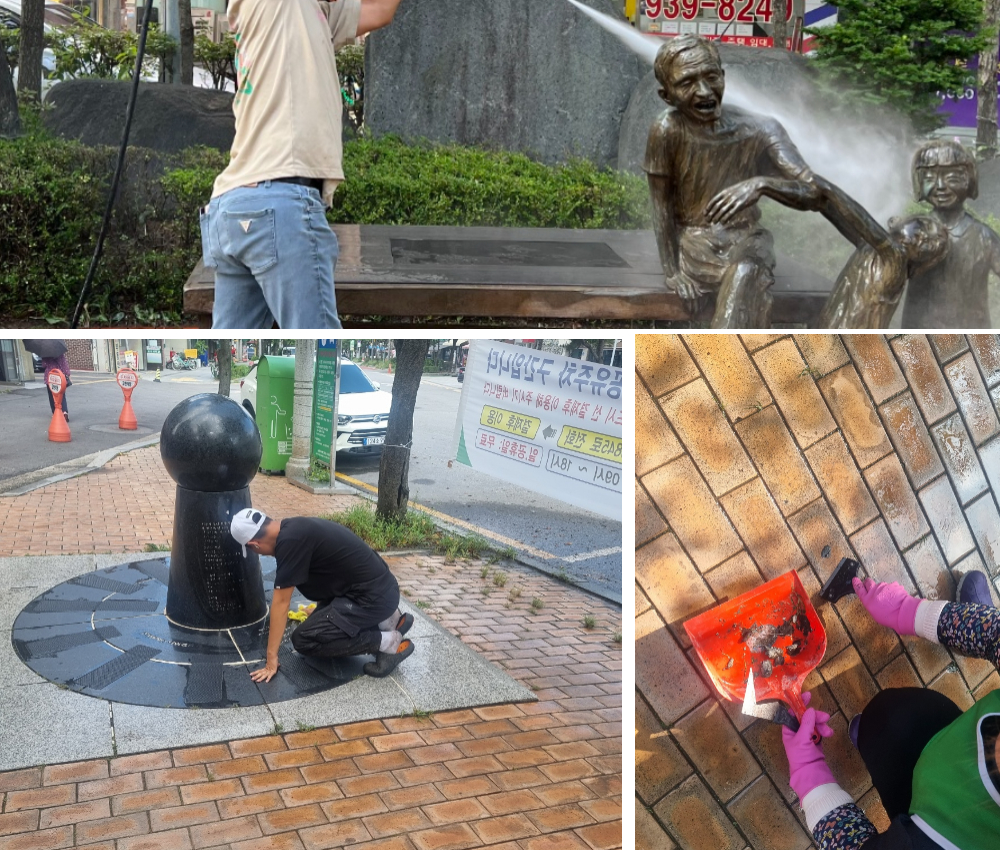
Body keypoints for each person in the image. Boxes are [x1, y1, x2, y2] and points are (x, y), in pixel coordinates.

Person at [203, 0, 405, 330]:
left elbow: (380, 10)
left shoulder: (305, 13)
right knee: (320, 354)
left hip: (236, 206)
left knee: (231, 341)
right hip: (278, 203)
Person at [783, 570, 999, 849]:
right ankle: (975, 628)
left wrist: (809, 775)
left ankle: (877, 741)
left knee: (883, 732)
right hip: (952, 747)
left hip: (926, 822)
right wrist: (911, 612)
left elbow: (855, 845)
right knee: (893, 716)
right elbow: (996, 630)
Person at [645, 35, 827, 328]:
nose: (704, 91)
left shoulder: (761, 129)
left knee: (745, 271)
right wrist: (672, 272)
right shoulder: (667, 130)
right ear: (667, 96)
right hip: (693, 244)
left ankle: (722, 363)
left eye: (711, 76)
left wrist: (761, 184)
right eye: (687, 82)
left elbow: (814, 191)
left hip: (747, 240)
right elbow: (661, 206)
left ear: (723, 76)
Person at [229, 509, 414, 681]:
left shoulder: (289, 544)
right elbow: (329, 571)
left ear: (254, 545)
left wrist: (271, 660)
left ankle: (387, 643)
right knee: (318, 623)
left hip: (373, 599)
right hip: (380, 589)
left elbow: (281, 603)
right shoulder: (294, 527)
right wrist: (320, 610)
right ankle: (389, 620)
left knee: (305, 639)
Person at [815, 172, 949, 328]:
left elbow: (862, 221)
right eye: (923, 227)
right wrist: (821, 203)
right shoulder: (869, 248)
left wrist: (826, 188)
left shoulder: (896, 261)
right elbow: (843, 220)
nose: (923, 238)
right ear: (895, 221)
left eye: (931, 245)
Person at [901, 139, 1000, 328]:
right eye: (930, 178)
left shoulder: (983, 237)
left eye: (952, 178)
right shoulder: (913, 234)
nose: (940, 186)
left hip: (971, 341)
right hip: (918, 341)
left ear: (969, 181)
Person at [40, 352, 71, 422]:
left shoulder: (45, 353)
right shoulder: (59, 352)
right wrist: (68, 374)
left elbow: (44, 365)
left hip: (50, 375)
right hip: (59, 375)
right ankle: (64, 412)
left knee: (52, 396)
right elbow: (63, 364)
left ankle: (55, 413)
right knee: (61, 395)